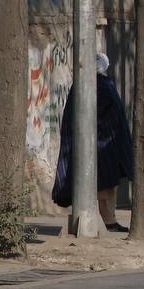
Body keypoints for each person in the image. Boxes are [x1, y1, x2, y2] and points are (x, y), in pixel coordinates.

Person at [52, 52, 135, 233]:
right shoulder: (93, 84)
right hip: (97, 146)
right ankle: (100, 220)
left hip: (105, 145)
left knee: (108, 184)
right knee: (102, 185)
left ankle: (109, 220)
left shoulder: (100, 84)